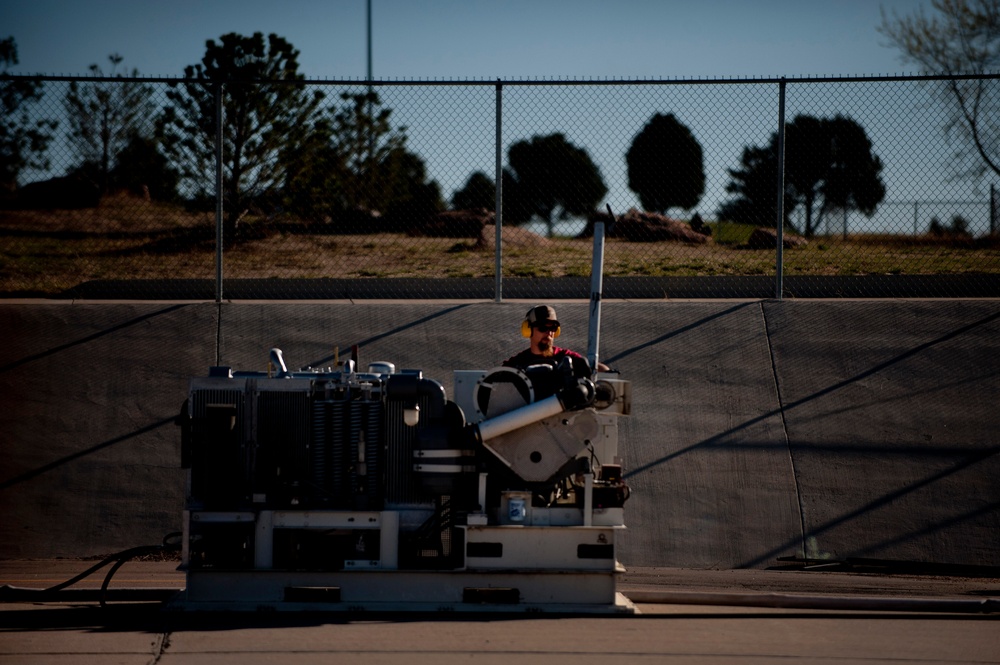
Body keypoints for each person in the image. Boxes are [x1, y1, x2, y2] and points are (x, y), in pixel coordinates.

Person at [502, 305, 609, 372]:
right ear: (528, 330)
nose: (549, 333)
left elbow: (595, 367)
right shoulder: (517, 363)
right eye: (542, 328)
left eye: (553, 328)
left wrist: (606, 373)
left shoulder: (566, 358)